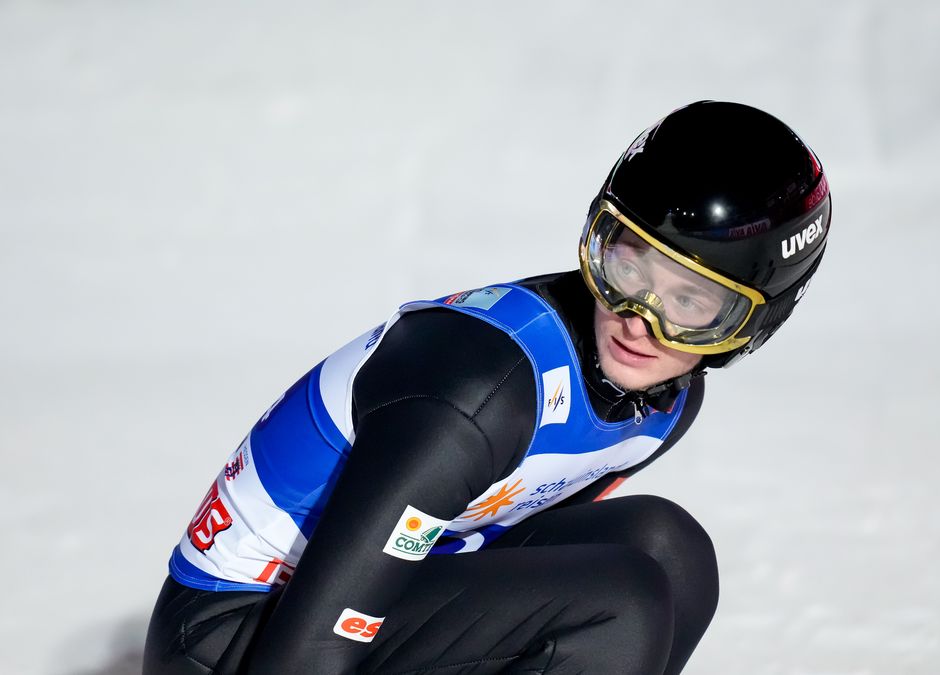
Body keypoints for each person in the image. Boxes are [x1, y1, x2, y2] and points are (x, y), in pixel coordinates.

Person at [142, 100, 832, 675]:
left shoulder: (661, 405)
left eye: (690, 304)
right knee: (618, 602)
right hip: (233, 636)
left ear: (750, 324)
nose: (638, 319)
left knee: (669, 549)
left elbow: (499, 552)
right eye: (626, 267)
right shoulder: (483, 392)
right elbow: (305, 650)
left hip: (383, 597)